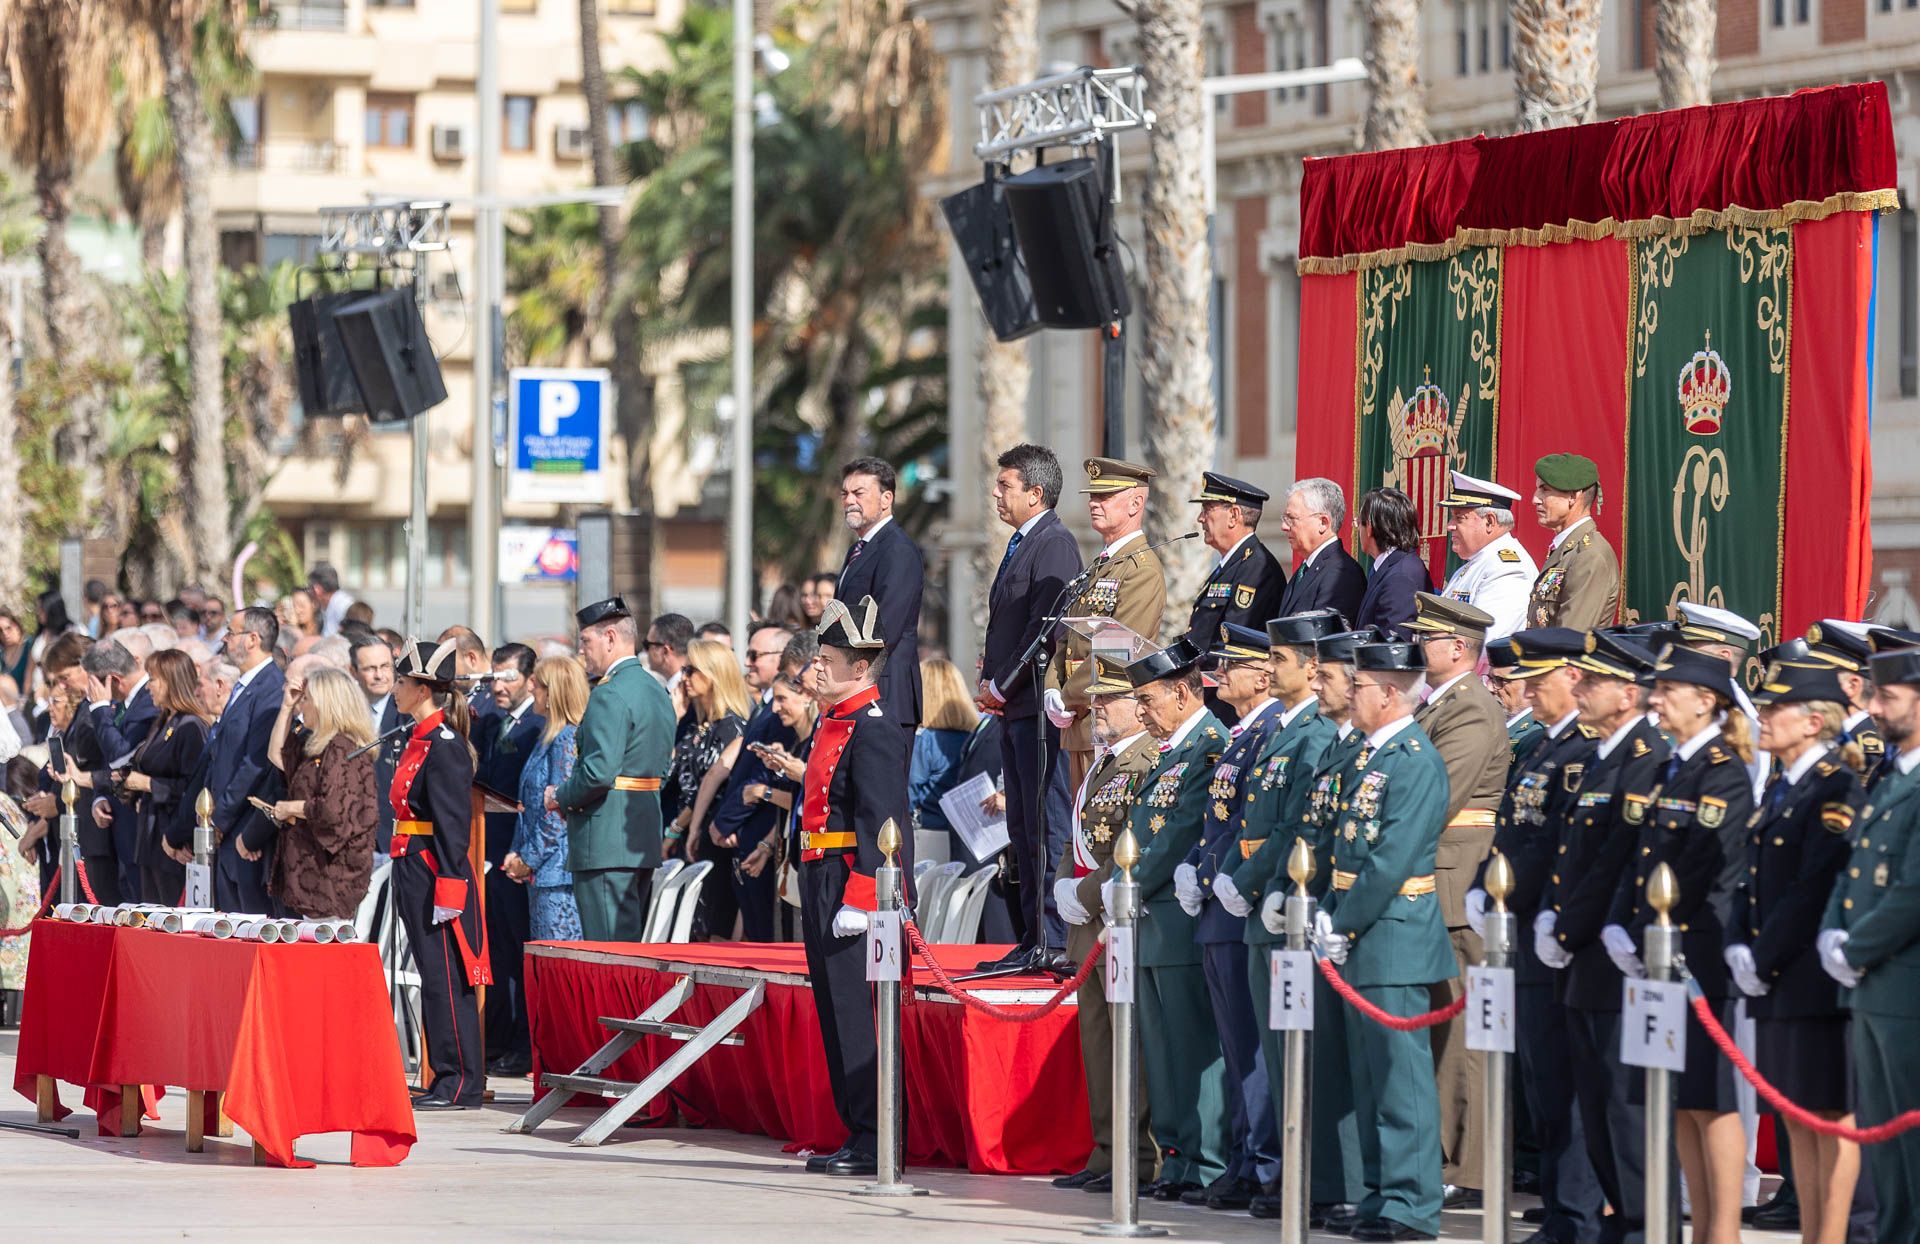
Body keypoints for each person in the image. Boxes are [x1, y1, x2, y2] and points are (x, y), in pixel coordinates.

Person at [1606, 645, 1755, 1244]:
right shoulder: (1675, 765)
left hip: (1697, 957)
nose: (1657, 698)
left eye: (1670, 689)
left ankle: (1722, 1232)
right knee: (1680, 1101)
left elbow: (1716, 875)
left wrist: (1678, 945)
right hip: (1658, 953)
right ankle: (1699, 1228)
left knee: (1711, 1100)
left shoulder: (1722, 768)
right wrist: (1629, 923)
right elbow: (1648, 856)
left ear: (1707, 699)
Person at [1468, 627, 1605, 1244]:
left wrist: (1535, 904)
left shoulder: (1580, 751)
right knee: (1542, 1079)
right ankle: (1558, 1203)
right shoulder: (1546, 748)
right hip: (1520, 926)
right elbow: (1512, 831)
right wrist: (1483, 884)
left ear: (1573, 679)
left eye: (1538, 679)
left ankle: (1575, 1213)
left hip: (1554, 930)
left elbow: (1558, 845)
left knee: (1566, 1083)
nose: (1526, 690)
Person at [1320, 638, 1456, 1241]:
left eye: (1361, 687)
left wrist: (1343, 922)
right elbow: (1342, 845)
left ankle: (1413, 1203)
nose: (1353, 696)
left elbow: (1392, 858)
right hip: (1359, 929)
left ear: (1391, 694)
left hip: (1394, 933)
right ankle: (1379, 1193)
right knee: (1369, 1081)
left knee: (1402, 1084)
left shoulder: (1413, 759)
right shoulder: (1367, 757)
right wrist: (1331, 913)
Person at [1542, 629, 1668, 1244]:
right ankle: (1620, 1220)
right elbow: (1571, 853)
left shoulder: (1649, 757)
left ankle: (1648, 1226)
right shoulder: (1600, 755)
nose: (1580, 690)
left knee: (1626, 1106)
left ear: (1626, 693)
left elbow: (1620, 860)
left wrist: (1567, 924)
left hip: (1617, 955)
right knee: (1594, 1103)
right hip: (1582, 957)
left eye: (1591, 682)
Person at [1730, 663, 1863, 1244]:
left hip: (1811, 977)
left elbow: (1814, 885)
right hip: (1777, 976)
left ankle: (1827, 1235)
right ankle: (1814, 1230)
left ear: (1813, 721)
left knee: (1826, 1119)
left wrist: (1761, 955)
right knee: (1795, 1116)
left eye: (1774, 709)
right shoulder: (1785, 783)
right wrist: (1742, 942)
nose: (1762, 717)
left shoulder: (1836, 786)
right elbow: (1753, 876)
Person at [1252, 624, 1378, 1228]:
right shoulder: (1332, 746)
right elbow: (1303, 829)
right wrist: (1278, 887)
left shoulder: (1343, 746)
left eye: (1328, 673)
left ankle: (1345, 1183)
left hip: (1336, 918)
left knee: (1334, 1063)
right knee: (1300, 1057)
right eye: (1320, 671)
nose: (1321, 682)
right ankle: (1318, 1177)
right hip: (1299, 909)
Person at [794, 596, 912, 1179]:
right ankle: (854, 1130)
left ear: (859, 668)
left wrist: (863, 897)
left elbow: (883, 823)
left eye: (828, 658)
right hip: (820, 874)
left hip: (849, 881)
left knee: (856, 1014)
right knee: (833, 1013)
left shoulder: (874, 728)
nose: (816, 668)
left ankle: (876, 1134)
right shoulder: (834, 721)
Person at [1176, 623, 1285, 1211]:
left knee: (1252, 1044)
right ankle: (1245, 1157)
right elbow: (1217, 820)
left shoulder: (1268, 732)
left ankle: (1263, 1164)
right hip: (1218, 903)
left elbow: (1253, 820)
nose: (1222, 673)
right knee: (1237, 1041)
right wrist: (1196, 864)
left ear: (1263, 675)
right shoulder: (1245, 735)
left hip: (1240, 900)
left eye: (1233, 665)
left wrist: (1218, 870)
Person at [1406, 593, 1509, 1210]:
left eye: (1428, 638)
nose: (1420, 647)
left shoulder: (1468, 709)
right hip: (1440, 876)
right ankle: (1450, 1155)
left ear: (1457, 648)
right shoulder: (1440, 705)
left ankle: (1473, 1166)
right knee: (1447, 1027)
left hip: (1457, 875)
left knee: (1466, 1030)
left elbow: (1435, 793)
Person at [1122, 638, 1230, 1204]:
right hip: (1149, 918)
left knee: (1193, 1048)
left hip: (1178, 915)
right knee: (1161, 1051)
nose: (1141, 712)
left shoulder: (1210, 746)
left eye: (1148, 700)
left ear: (1183, 693)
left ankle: (1206, 1159)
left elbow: (1182, 830)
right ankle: (1176, 1158)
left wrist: (1128, 882)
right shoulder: (1168, 752)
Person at [1821, 643, 1920, 1244]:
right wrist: (1836, 929)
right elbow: (1855, 868)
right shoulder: (1893, 777)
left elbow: (1913, 891)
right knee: (1884, 1143)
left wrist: (1852, 949)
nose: (1874, 707)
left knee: (1909, 1144)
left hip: (1904, 986)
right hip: (1873, 990)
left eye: (1888, 696)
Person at [1050, 656, 1160, 1195]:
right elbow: (1082, 837)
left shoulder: (1144, 760)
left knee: (1125, 1038)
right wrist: (1064, 888)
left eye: (1108, 699)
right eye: (1094, 699)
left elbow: (1131, 847)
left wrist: (1086, 893)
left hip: (1114, 915)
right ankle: (1105, 1150)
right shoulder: (1102, 761)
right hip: (1086, 921)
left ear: (1139, 707)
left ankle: (1137, 1155)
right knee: (1096, 1038)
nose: (1097, 708)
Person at [977, 443, 1082, 969]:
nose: (997, 494)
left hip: (1036, 708)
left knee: (1045, 823)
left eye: (1006, 486)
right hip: (1015, 710)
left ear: (1035, 492)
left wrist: (1002, 683)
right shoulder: (1023, 543)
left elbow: (1048, 629)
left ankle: (1053, 938)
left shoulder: (1054, 544)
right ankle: (1031, 936)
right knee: (1020, 826)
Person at [387, 637, 488, 1109]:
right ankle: (443, 1075)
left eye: (400, 681)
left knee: (447, 974)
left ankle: (459, 1081)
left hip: (433, 868)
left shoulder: (444, 744)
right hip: (412, 862)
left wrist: (451, 884)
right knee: (432, 972)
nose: (394, 689)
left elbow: (452, 825)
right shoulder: (419, 737)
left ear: (422, 688)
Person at [547, 597, 676, 942]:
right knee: (627, 951)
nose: (582, 651)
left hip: (605, 841)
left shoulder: (608, 693)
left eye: (586, 641)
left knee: (608, 956)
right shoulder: (656, 690)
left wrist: (559, 796)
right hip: (640, 833)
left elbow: (598, 773)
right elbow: (662, 770)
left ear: (609, 638)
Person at [1046, 457, 1167, 795]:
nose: (1093, 503)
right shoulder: (1102, 565)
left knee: (1101, 829)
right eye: (1092, 496)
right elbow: (1067, 638)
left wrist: (1068, 696)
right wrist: (1052, 687)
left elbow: (1120, 647)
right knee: (1080, 825)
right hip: (1082, 719)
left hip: (1109, 715)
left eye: (1105, 497)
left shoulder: (1140, 570)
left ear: (1136, 503)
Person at [189, 607, 286, 913]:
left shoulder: (270, 686)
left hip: (244, 827)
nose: (226, 640)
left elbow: (255, 763)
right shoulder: (246, 685)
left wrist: (221, 818)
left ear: (252, 639)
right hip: (226, 827)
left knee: (248, 923)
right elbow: (222, 753)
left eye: (232, 633)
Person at [265, 666, 376, 920]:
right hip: (309, 867)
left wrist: (290, 808)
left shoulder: (342, 747)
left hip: (332, 874)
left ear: (325, 703)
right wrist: (286, 708)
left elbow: (332, 809)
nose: (302, 706)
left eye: (306, 700)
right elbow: (276, 755)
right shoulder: (317, 745)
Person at [707, 625, 796, 942]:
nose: (748, 662)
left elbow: (766, 776)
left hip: (762, 835)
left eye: (755, 655)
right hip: (746, 837)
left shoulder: (786, 711)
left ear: (781, 658)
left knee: (768, 940)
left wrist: (727, 822)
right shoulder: (767, 706)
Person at [481, 642, 544, 1075]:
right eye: (495, 676)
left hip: (518, 856)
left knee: (521, 953)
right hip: (490, 854)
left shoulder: (537, 727)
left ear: (529, 679)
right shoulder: (493, 724)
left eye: (508, 677)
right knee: (500, 952)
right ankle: (500, 1037)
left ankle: (524, 1043)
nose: (498, 686)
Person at [834, 456, 925, 736]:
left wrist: (845, 674)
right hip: (855, 691)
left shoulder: (897, 550)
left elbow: (885, 628)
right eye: (845, 493)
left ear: (886, 499)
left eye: (859, 493)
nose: (849, 500)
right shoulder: (858, 550)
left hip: (884, 694)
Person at [669, 637, 751, 937]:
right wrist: (675, 717)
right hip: (691, 835)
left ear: (714, 674)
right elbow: (668, 775)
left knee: (708, 925)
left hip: (710, 835)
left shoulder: (731, 727)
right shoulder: (696, 726)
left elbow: (714, 787)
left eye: (692, 670)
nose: (684, 677)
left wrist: (678, 829)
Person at [504, 655, 590, 942]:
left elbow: (559, 811)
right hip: (542, 872)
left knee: (559, 962)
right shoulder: (548, 737)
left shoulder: (567, 738)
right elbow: (528, 803)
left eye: (537, 684)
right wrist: (517, 853)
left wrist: (527, 858)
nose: (531, 690)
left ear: (554, 693)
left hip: (557, 875)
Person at [121, 649, 209, 904]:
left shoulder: (191, 726)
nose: (148, 686)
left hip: (172, 836)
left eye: (154, 679)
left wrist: (149, 784)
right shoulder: (163, 721)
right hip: (149, 834)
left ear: (172, 681)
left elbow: (193, 787)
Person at [82, 638, 158, 900]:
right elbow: (109, 763)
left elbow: (121, 757)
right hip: (122, 825)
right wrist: (101, 796)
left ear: (112, 678)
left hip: (145, 827)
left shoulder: (149, 700)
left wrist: (100, 709)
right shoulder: (126, 702)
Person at [1183, 473, 1287, 652]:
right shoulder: (1232, 564)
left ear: (1233, 515)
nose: (1200, 518)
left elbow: (1233, 641)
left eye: (1207, 509)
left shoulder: (1257, 568)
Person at [1438, 470, 1538, 640]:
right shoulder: (1479, 562)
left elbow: (1484, 642)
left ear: (1490, 522)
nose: (1450, 526)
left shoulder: (1507, 569)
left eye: (1459, 518)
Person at [1528, 455, 1619, 630]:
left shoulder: (1589, 555)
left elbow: (1570, 638)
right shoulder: (1570, 549)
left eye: (1545, 490)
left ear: (1573, 496)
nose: (1535, 499)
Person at [1276, 477, 1367, 622]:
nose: (1284, 527)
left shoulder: (1341, 574)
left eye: (1291, 519)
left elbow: (1323, 637)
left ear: (1323, 523)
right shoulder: (1307, 568)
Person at [908, 658, 976, 836]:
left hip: (928, 829)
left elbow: (909, 791)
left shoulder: (924, 740)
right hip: (967, 829)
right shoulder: (974, 736)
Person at [1352, 487, 1431, 641]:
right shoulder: (1391, 567)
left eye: (1358, 524)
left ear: (1369, 528)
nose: (1357, 530)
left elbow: (1393, 645)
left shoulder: (1400, 577)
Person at [351, 633, 404, 856]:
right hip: (352, 836)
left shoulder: (406, 715)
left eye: (385, 666)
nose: (379, 675)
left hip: (393, 837)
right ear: (353, 671)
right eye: (370, 668)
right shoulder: (345, 713)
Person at [307, 563, 357, 637]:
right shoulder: (332, 605)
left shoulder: (343, 606)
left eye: (310, 588)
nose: (309, 592)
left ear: (317, 589)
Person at [0, 611, 30, 699]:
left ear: (16, 626)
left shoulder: (29, 646)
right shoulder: (1, 655)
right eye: (0, 631)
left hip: (28, 701)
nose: (5, 633)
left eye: (8, 628)